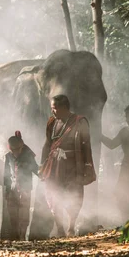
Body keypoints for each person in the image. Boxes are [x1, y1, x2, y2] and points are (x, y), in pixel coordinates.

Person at [39, 95, 95, 237]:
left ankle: (71, 227)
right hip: (54, 165)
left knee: (74, 194)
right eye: (52, 108)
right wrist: (42, 164)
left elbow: (87, 146)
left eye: (55, 108)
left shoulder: (80, 122)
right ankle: (59, 228)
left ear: (64, 108)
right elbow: (47, 144)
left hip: (73, 165)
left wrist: (88, 166)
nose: (53, 112)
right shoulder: (52, 122)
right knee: (53, 194)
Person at [3, 131, 38, 240]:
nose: (16, 152)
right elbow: (6, 175)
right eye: (13, 150)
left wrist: (44, 173)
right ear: (10, 149)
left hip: (26, 187)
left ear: (21, 147)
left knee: (24, 212)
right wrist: (7, 190)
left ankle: (22, 235)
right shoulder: (8, 157)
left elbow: (36, 170)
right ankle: (16, 236)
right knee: (12, 214)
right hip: (12, 188)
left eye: (17, 149)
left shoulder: (28, 156)